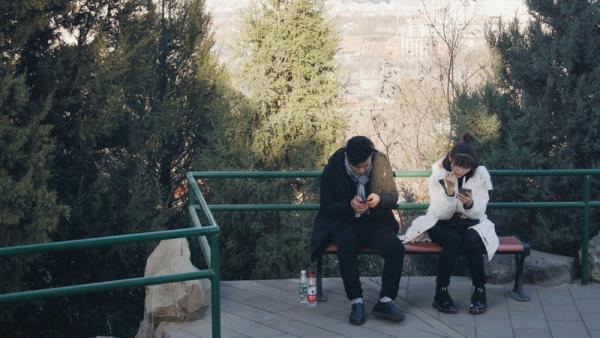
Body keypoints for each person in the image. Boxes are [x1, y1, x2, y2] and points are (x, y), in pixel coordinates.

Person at [310, 136, 406, 325]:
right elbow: (326, 207)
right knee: (347, 244)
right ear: (347, 158)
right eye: (357, 168)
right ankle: (356, 301)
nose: (363, 170)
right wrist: (349, 205)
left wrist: (379, 199)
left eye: (366, 166)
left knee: (396, 249)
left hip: (374, 220)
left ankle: (386, 300)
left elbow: (393, 197)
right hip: (343, 222)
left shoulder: (380, 162)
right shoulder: (333, 168)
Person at [401, 132, 499, 315]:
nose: (460, 171)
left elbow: (480, 211)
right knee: (452, 240)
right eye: (457, 166)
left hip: (471, 222)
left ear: (472, 166)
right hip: (441, 222)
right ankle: (441, 292)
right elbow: (439, 212)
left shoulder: (480, 175)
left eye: (465, 167)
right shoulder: (439, 172)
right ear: (450, 160)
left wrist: (469, 203)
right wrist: (449, 191)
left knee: (471, 240)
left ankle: (479, 290)